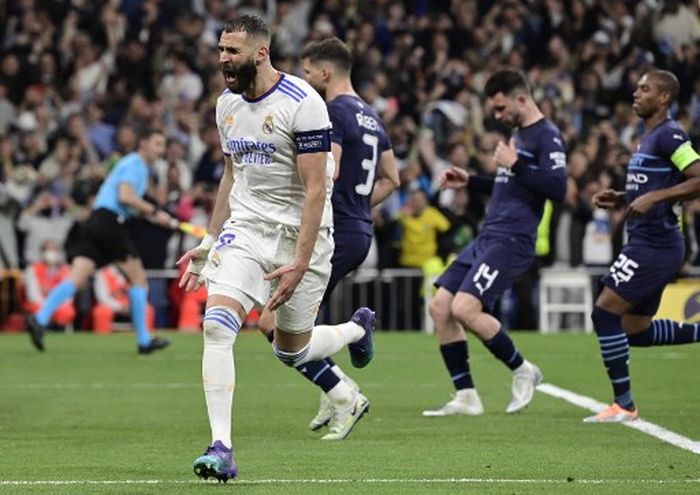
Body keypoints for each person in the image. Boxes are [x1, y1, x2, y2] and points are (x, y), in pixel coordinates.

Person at [177, 17, 377, 483]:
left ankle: (354, 329)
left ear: (261, 54)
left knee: (292, 351)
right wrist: (208, 242)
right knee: (217, 326)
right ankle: (221, 447)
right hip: (246, 230)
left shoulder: (303, 104)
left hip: (300, 237)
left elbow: (315, 190)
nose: (224, 58)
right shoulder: (225, 104)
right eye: (221, 49)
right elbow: (232, 175)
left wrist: (301, 261)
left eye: (233, 51)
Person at [256, 37, 399, 434]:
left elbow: (326, 173)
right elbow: (393, 178)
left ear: (325, 72)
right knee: (299, 321)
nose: (304, 79)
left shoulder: (331, 110)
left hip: (332, 232)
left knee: (271, 321)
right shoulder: (371, 115)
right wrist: (357, 209)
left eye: (306, 71)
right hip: (358, 230)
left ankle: (343, 393)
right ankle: (333, 393)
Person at [424, 68, 567, 417]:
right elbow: (510, 185)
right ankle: (467, 396)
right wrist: (470, 181)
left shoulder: (546, 136)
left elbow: (558, 188)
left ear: (521, 98)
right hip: (489, 235)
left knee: (464, 308)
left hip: (513, 239)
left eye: (502, 109)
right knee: (440, 307)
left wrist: (515, 163)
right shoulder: (518, 134)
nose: (499, 116)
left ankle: (522, 370)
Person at [584, 70, 700, 423]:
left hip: (656, 243)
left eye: (645, 89)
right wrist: (622, 197)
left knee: (605, 312)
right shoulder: (646, 137)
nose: (636, 93)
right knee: (636, 331)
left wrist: (655, 197)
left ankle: (624, 405)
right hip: (647, 241)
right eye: (637, 87)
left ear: (664, 97)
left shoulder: (669, 135)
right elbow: (654, 188)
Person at [26, 127, 175, 354]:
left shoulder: (135, 166)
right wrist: (155, 211)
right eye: (156, 143)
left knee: (76, 278)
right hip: (110, 222)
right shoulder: (135, 163)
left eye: (162, 145)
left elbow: (131, 203)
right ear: (142, 144)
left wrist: (154, 216)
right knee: (138, 280)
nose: (160, 149)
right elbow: (125, 197)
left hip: (95, 221)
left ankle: (40, 318)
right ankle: (144, 340)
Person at [23, 240, 75, 329]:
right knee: (38, 310)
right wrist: (48, 306)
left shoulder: (66, 270)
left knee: (67, 311)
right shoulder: (32, 269)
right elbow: (32, 295)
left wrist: (55, 305)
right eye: (48, 250)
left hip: (60, 305)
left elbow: (68, 295)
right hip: (39, 303)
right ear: (42, 252)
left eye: (54, 250)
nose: (51, 253)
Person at [91, 264, 156, 334]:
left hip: (132, 304)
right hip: (111, 306)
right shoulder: (102, 272)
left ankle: (144, 337)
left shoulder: (137, 272)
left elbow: (143, 292)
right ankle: (102, 338)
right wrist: (120, 307)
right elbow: (102, 298)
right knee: (101, 311)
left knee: (147, 310)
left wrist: (132, 305)